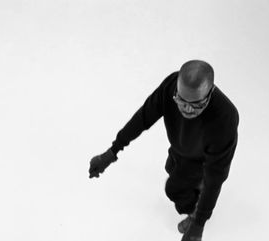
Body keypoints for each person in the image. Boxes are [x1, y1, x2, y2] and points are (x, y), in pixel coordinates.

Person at [89, 60, 239, 241]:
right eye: (181, 102)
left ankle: (194, 210)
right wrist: (112, 152)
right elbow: (144, 117)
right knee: (171, 168)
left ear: (210, 93)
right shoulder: (170, 87)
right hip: (180, 149)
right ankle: (197, 190)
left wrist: (199, 223)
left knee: (174, 189)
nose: (187, 109)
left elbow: (216, 177)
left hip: (202, 160)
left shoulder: (225, 119)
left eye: (197, 104)